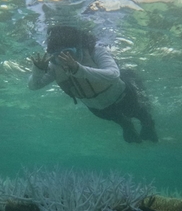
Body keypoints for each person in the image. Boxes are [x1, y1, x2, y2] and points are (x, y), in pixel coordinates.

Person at [29, 25, 158, 143]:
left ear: (79, 48)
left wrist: (78, 69)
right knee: (118, 120)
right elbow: (34, 86)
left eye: (69, 52)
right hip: (98, 109)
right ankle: (126, 125)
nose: (64, 59)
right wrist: (38, 70)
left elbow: (113, 74)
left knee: (139, 113)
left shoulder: (96, 52)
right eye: (57, 56)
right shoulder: (55, 66)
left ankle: (148, 124)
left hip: (123, 97)